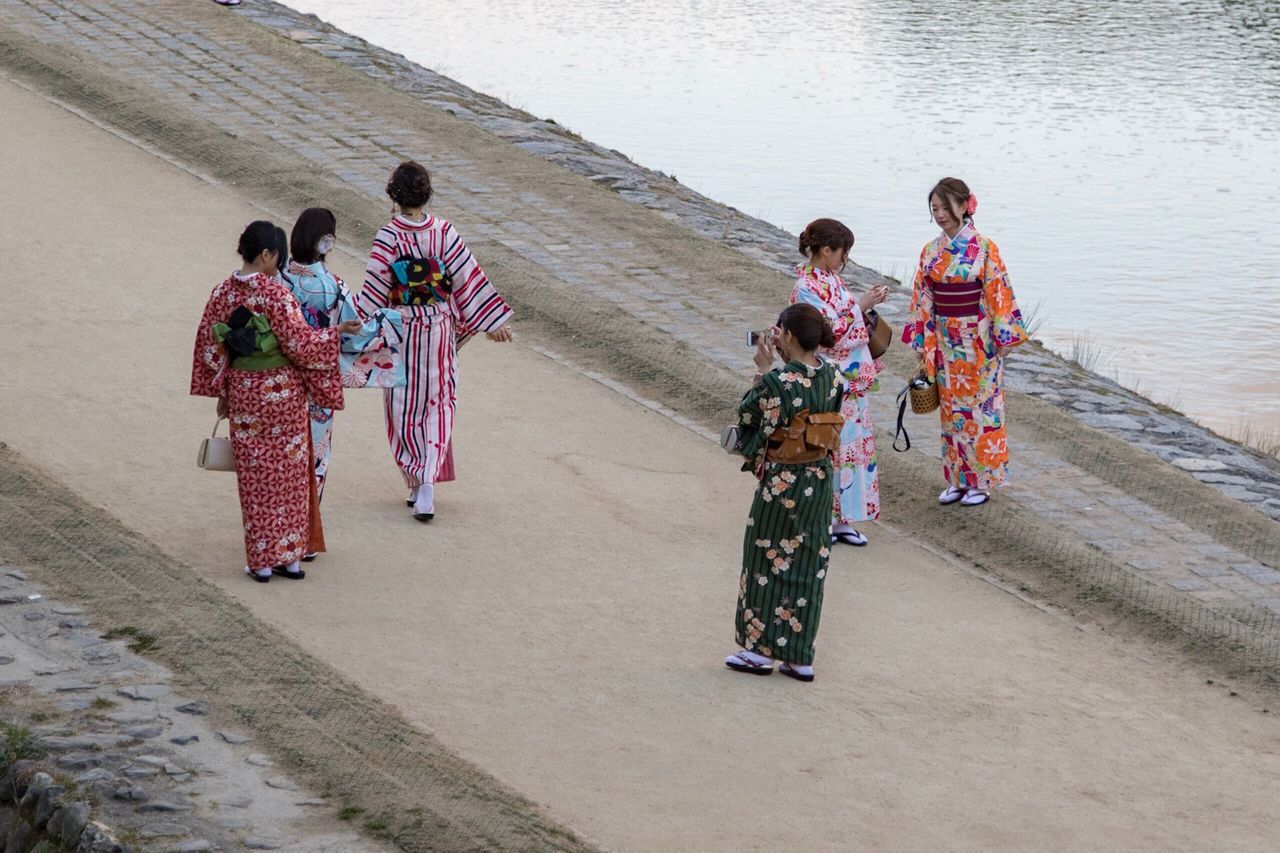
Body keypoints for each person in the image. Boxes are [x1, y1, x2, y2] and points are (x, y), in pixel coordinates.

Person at [191, 221, 362, 582]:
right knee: (291, 477)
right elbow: (301, 344)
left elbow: (211, 348)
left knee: (255, 479)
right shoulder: (275, 295)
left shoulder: (221, 293)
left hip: (245, 393)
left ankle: (262, 561)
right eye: (277, 257)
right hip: (282, 395)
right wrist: (335, 333)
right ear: (266, 254)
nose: (279, 265)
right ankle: (291, 558)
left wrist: (223, 390)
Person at [356, 161, 513, 522]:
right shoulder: (444, 232)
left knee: (403, 403)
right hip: (439, 325)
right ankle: (426, 482)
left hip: (403, 327)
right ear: (427, 194)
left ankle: (416, 478)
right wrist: (492, 322)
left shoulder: (389, 236)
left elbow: (375, 290)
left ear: (394, 195)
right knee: (438, 401)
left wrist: (352, 326)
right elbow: (467, 279)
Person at [724, 303, 846, 683]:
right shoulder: (835, 376)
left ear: (788, 337)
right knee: (809, 565)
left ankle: (759, 651)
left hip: (784, 480)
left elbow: (749, 419)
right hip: (820, 480)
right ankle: (799, 655)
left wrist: (763, 372)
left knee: (764, 558)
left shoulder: (780, 382)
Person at [903, 178, 1027, 507]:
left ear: (964, 206)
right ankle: (957, 479)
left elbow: (998, 291)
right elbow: (923, 295)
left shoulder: (985, 248)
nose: (940, 214)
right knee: (951, 410)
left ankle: (981, 481)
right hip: (944, 338)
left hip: (978, 338)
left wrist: (1003, 335)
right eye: (935, 209)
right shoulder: (931, 250)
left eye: (945, 207)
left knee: (982, 409)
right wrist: (921, 337)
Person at [790, 218, 890, 546]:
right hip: (829, 374)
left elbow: (844, 318)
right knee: (830, 444)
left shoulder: (830, 279)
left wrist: (863, 307)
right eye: (841, 252)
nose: (844, 258)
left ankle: (844, 518)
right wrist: (860, 306)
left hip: (849, 375)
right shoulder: (807, 285)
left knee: (851, 446)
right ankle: (824, 518)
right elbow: (825, 333)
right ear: (826, 250)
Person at [280, 208, 360, 562]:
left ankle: (279, 524)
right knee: (315, 456)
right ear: (326, 242)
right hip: (317, 379)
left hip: (279, 374)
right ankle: (305, 532)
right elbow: (355, 334)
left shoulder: (278, 278)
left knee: (281, 452)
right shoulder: (333, 287)